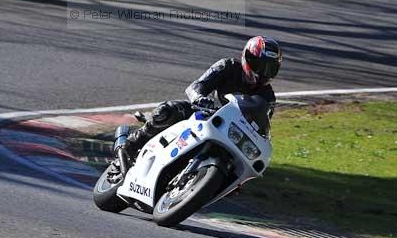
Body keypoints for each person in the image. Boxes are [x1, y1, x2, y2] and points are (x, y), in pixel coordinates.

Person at [116, 36, 282, 170]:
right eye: (260, 65)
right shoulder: (228, 66)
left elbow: (263, 126)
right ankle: (131, 143)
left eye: (269, 69)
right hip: (205, 113)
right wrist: (199, 98)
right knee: (166, 111)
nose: (263, 72)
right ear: (248, 58)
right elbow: (196, 86)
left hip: (232, 133)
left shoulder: (268, 97)